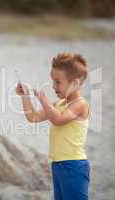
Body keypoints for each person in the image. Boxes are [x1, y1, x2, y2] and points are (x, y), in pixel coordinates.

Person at [16, 53, 91, 200]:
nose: (53, 86)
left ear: (75, 84)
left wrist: (43, 99)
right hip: (57, 165)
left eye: (58, 82)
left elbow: (58, 119)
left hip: (74, 166)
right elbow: (33, 117)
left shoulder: (80, 105)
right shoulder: (59, 104)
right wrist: (25, 97)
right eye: (52, 81)